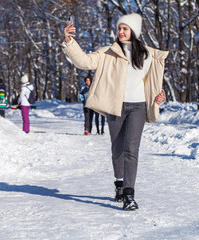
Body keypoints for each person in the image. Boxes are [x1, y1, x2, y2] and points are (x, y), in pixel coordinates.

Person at [63, 13, 168, 210]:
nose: (121, 32)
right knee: (117, 149)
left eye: (125, 28)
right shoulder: (108, 53)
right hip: (115, 106)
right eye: (119, 28)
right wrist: (69, 42)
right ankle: (119, 184)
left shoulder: (148, 55)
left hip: (138, 106)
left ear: (134, 31)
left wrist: (158, 96)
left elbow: (153, 83)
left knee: (131, 149)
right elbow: (84, 62)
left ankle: (129, 194)